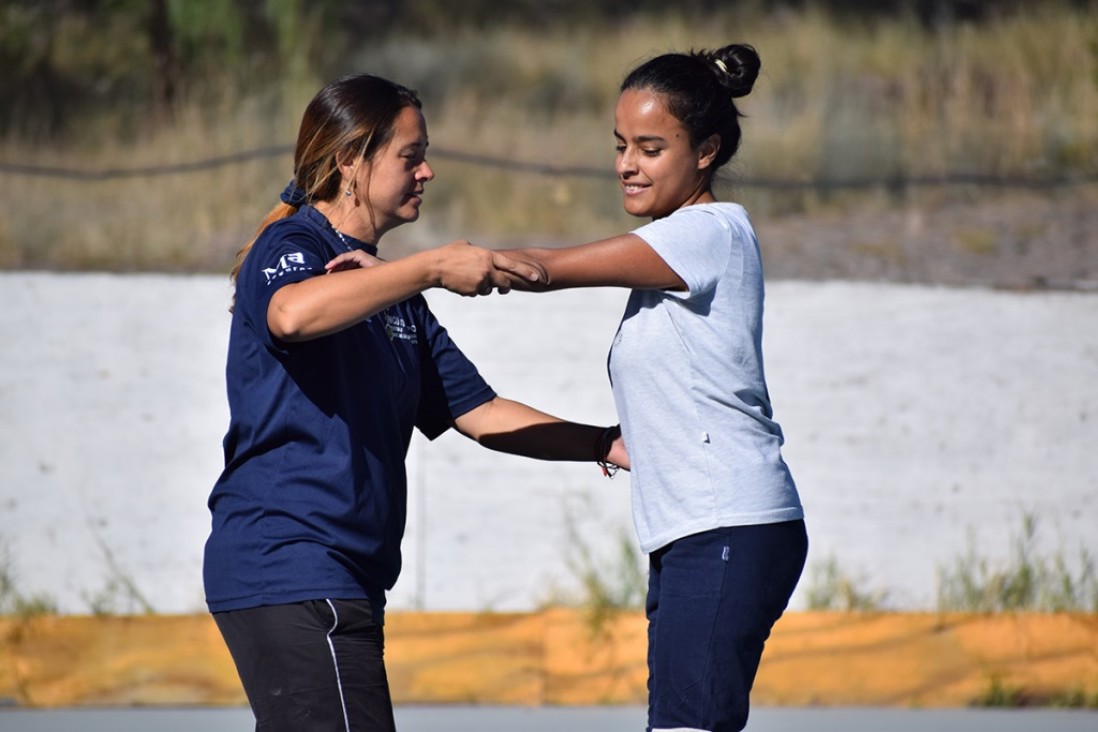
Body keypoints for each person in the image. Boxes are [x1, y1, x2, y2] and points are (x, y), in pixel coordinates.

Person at [202, 73, 626, 732]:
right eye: (410, 155)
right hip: (290, 566)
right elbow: (291, 315)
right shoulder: (292, 249)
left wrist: (603, 444)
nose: (427, 171)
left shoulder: (391, 295)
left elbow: (480, 413)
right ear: (349, 161)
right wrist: (427, 267)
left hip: (345, 581)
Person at [497, 44, 808, 732]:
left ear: (706, 151)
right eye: (619, 146)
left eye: (649, 147)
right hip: (694, 528)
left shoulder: (707, 233)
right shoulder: (677, 254)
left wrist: (433, 266)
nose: (626, 165)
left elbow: (548, 269)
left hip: (729, 522)